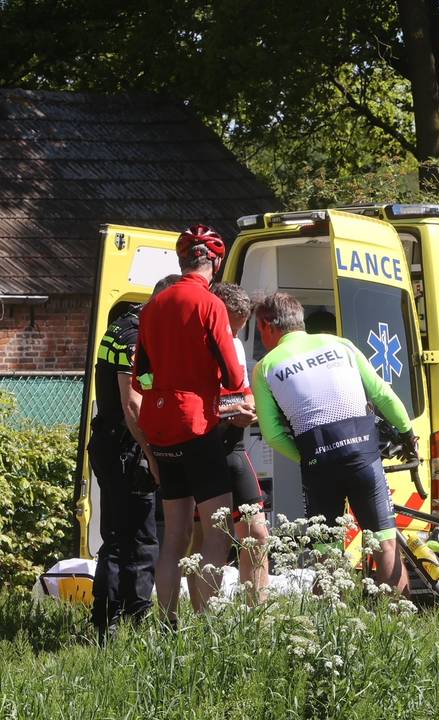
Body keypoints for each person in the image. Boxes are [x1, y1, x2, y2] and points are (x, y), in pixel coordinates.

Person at [250, 292, 416, 592]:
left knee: (327, 553)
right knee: (385, 543)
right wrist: (406, 433)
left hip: (319, 462)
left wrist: (309, 457)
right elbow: (382, 394)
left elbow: (273, 434)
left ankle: (332, 624)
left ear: (267, 325)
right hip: (363, 454)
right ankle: (396, 626)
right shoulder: (342, 345)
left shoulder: (265, 367)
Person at [134, 224, 244, 622]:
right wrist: (222, 387)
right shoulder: (208, 303)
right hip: (196, 426)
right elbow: (231, 371)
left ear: (182, 261)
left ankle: (166, 624)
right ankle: (208, 622)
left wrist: (161, 387)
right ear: (214, 261)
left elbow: (141, 375)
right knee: (217, 533)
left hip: (161, 428)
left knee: (174, 537)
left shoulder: (152, 307)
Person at [88, 273, 179, 642]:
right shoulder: (135, 335)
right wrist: (151, 454)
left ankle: (109, 618)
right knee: (139, 537)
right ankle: (131, 619)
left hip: (112, 443)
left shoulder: (125, 326)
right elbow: (132, 404)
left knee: (118, 534)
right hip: (126, 446)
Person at [209, 282, 269, 602]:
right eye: (230, 328)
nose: (232, 336)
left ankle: (256, 615)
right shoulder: (191, 343)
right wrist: (229, 411)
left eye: (239, 330)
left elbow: (242, 393)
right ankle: (202, 618)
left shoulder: (233, 344)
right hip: (202, 448)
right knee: (207, 538)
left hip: (233, 445)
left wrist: (250, 409)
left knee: (257, 533)